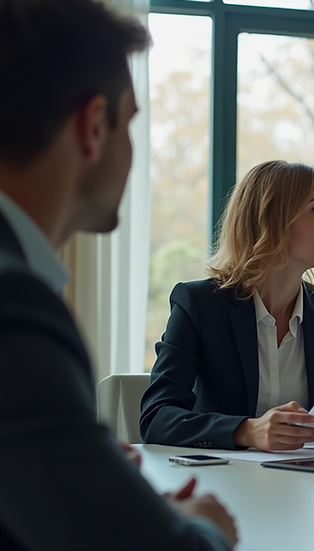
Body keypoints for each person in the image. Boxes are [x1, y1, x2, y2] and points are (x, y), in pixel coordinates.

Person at [0, 0, 236, 549]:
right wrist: (203, 525)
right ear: (93, 126)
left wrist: (89, 488)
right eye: (130, 123)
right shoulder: (14, 305)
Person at [141, 160, 314, 451]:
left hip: (309, 473)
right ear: (271, 220)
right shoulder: (199, 304)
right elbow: (156, 418)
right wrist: (247, 431)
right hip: (222, 475)